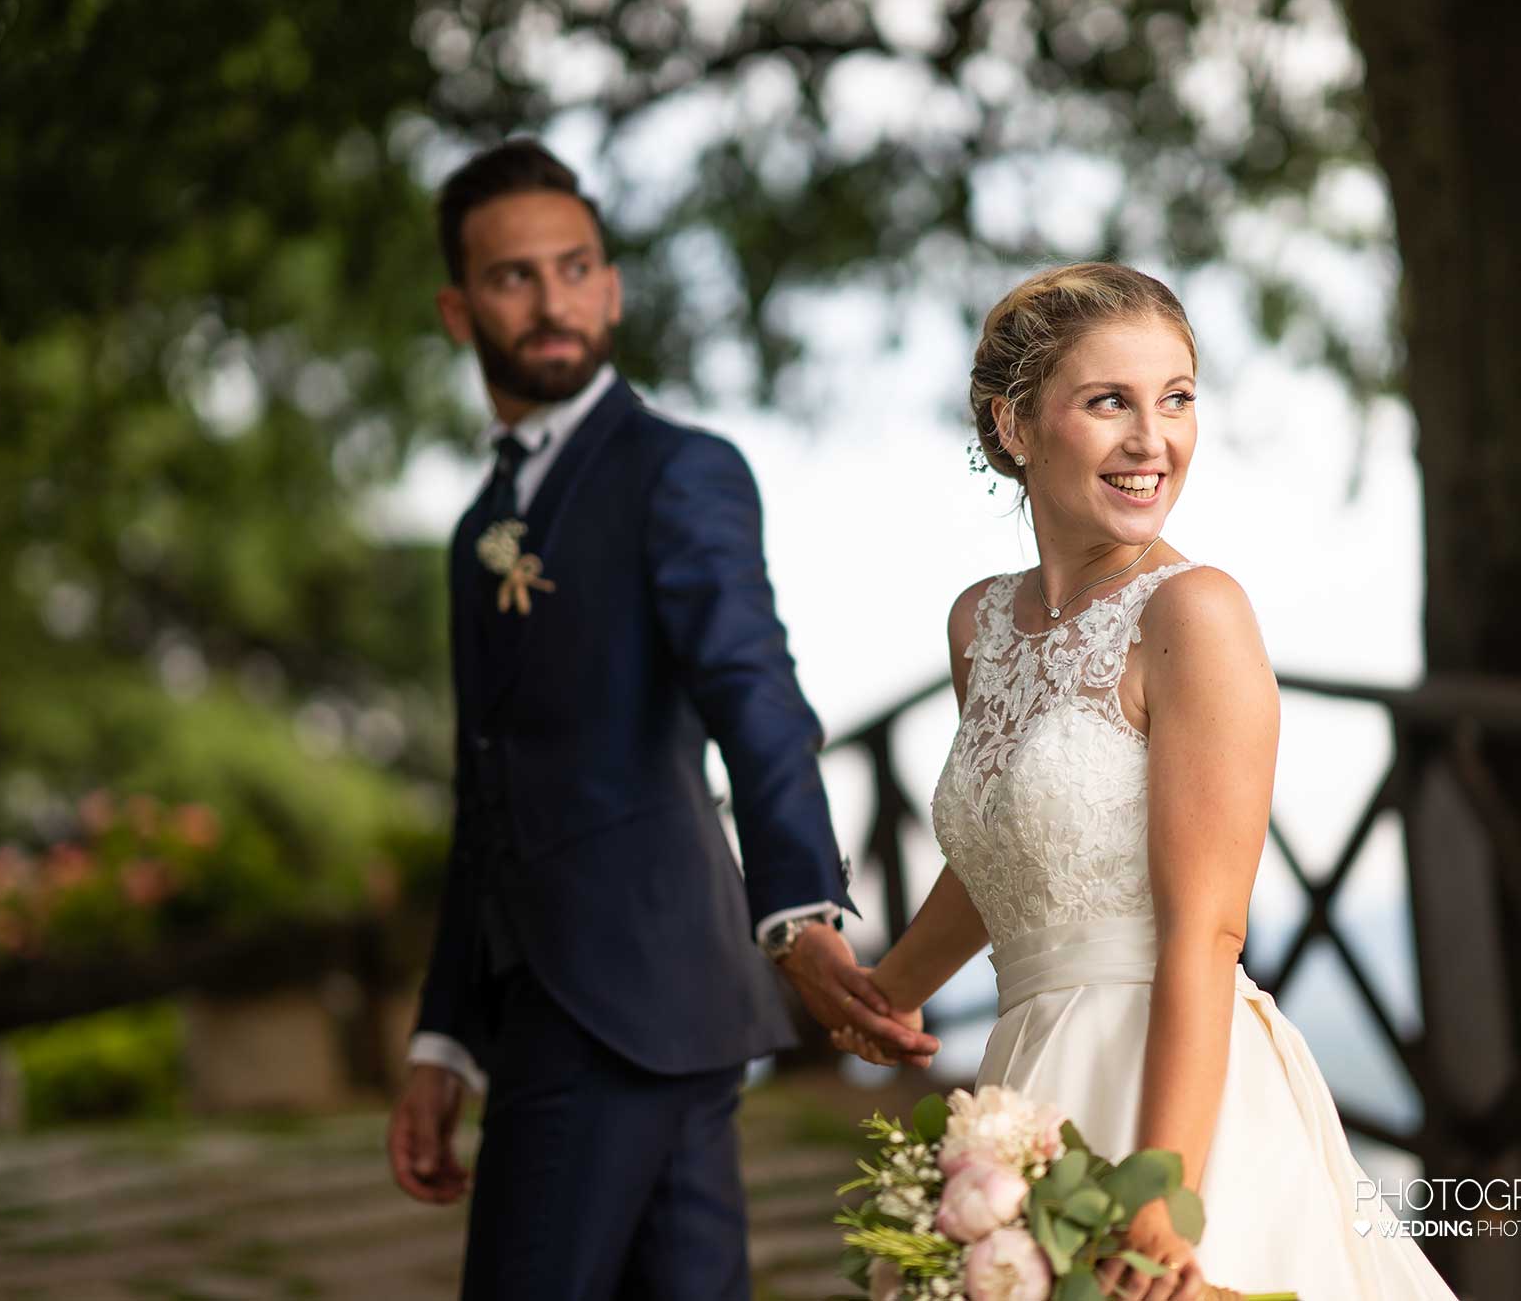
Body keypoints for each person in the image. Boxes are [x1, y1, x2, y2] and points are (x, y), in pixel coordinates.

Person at [834, 263, 1461, 1300]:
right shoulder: (979, 623)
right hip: (1024, 1079)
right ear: (1015, 424)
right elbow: (1012, 849)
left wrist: (1161, 1194)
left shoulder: (1193, 613)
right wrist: (888, 985)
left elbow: (1205, 932)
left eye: (1175, 398)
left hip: (1171, 1079)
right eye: (1107, 401)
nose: (1151, 440)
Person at [384, 139, 939, 1301]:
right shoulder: (477, 526)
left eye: (574, 266)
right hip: (624, 1003)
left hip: (614, 996)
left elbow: (753, 684)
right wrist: (444, 1037)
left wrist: (797, 907)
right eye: (512, 276)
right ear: (457, 306)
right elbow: (481, 795)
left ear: (612, 285)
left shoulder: (675, 471)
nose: (551, 300)